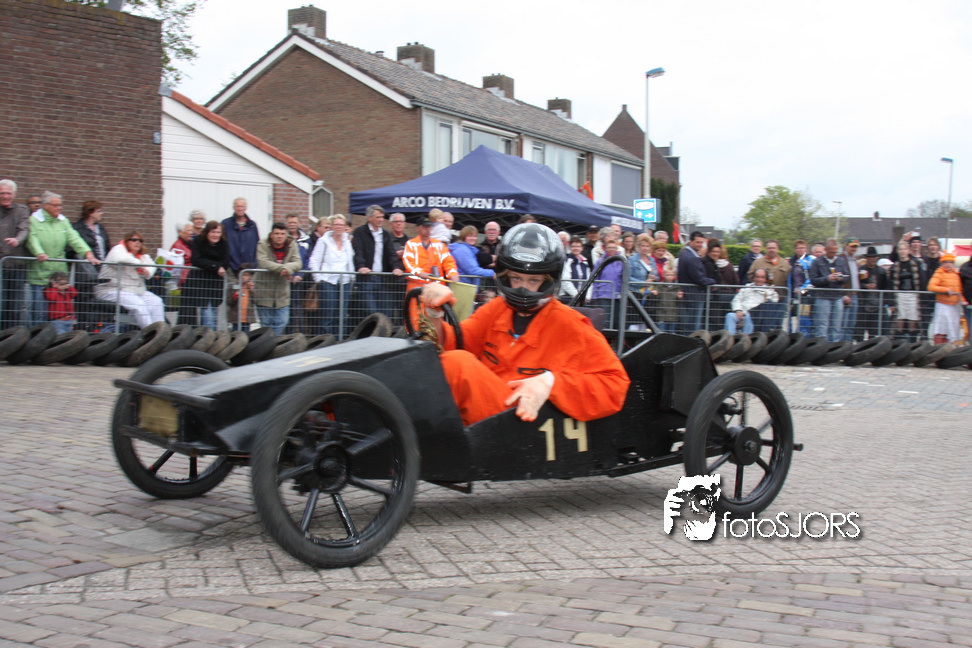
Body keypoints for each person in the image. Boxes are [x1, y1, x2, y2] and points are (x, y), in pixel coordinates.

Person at [419, 222, 630, 426]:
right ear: (505, 276)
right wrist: (434, 314)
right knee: (448, 362)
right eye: (516, 278)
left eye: (533, 280)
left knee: (458, 365)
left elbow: (615, 384)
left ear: (548, 281)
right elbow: (454, 343)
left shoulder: (571, 325)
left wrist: (551, 383)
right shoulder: (496, 309)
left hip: (524, 421)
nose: (523, 289)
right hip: (486, 416)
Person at [25, 191, 100, 327]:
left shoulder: (63, 221)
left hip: (58, 277)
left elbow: (74, 238)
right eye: (55, 205)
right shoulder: (34, 220)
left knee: (58, 314)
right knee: (40, 313)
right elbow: (32, 239)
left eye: (60, 205)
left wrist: (87, 252)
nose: (59, 208)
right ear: (45, 205)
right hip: (39, 275)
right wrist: (39, 253)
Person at [94, 230, 165, 328]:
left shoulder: (143, 256)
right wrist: (140, 265)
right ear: (126, 241)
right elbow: (120, 259)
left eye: (140, 240)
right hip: (112, 290)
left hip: (134, 291)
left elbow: (152, 266)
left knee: (156, 301)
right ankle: (149, 332)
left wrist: (147, 271)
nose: (137, 242)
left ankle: (161, 330)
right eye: (133, 240)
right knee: (138, 304)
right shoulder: (118, 249)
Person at [403, 217, 459, 325]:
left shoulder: (439, 245)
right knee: (415, 318)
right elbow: (408, 261)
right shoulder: (411, 244)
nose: (428, 230)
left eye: (429, 227)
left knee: (435, 319)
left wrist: (453, 274)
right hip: (417, 288)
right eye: (425, 227)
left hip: (436, 289)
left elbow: (448, 261)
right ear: (418, 228)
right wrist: (419, 272)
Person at [352, 204, 402, 321]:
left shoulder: (385, 234)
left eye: (382, 217)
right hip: (367, 278)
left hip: (382, 278)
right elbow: (358, 251)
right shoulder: (359, 232)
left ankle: (384, 332)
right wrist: (361, 266)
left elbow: (391, 253)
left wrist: (395, 267)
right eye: (377, 217)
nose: (380, 220)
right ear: (369, 218)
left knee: (386, 312)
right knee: (371, 312)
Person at [309, 214, 355, 337]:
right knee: (327, 316)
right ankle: (325, 342)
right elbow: (314, 261)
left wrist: (352, 278)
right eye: (336, 224)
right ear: (332, 226)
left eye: (341, 224)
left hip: (345, 282)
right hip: (328, 282)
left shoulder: (347, 242)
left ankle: (339, 342)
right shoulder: (323, 241)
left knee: (341, 316)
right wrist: (319, 280)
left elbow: (350, 261)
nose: (339, 227)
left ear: (345, 226)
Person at [254, 221, 302, 334]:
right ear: (271, 234)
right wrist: (283, 268)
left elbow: (298, 262)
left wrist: (288, 268)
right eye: (276, 233)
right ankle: (268, 341)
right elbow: (263, 262)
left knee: (282, 321)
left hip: (282, 292)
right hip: (264, 291)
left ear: (286, 235)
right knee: (266, 324)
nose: (279, 236)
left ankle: (270, 341)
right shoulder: (262, 244)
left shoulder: (292, 244)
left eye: (282, 234)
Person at [182, 221, 230, 328]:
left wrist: (217, 266)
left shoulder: (224, 243)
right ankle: (207, 336)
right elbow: (196, 260)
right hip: (201, 283)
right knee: (207, 317)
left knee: (214, 316)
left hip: (216, 284)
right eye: (213, 232)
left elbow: (226, 261)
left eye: (218, 232)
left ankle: (211, 336)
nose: (215, 235)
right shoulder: (199, 241)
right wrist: (216, 267)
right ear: (207, 232)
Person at [0, 179, 30, 329]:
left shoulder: (21, 210)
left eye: (8, 193)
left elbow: (24, 228)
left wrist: (17, 240)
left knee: (15, 304)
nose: (5, 196)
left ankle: (12, 334)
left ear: (14, 194)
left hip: (15, 264)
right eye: (2, 193)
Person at [809, 238, 851, 342]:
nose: (834, 254)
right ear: (826, 250)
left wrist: (842, 278)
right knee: (822, 326)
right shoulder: (817, 262)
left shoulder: (841, 261)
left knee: (836, 326)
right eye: (832, 252)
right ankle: (821, 347)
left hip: (837, 296)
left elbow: (847, 276)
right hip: (822, 297)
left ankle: (834, 348)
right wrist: (827, 278)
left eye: (835, 252)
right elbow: (813, 280)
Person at [676, 231, 715, 334]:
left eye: (701, 242)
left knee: (689, 324)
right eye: (697, 242)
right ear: (691, 241)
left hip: (689, 293)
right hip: (694, 295)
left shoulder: (685, 254)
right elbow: (700, 279)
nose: (700, 245)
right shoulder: (691, 258)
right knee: (694, 326)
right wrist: (713, 281)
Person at [748, 239, 790, 332]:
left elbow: (789, 279)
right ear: (766, 249)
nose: (772, 250)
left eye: (774, 248)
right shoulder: (758, 262)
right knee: (765, 324)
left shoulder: (785, 263)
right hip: (764, 299)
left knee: (778, 323)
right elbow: (750, 276)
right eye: (769, 248)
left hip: (781, 298)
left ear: (777, 248)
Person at [889, 240, 926, 342]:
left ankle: (913, 341)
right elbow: (891, 283)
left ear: (909, 250)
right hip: (900, 295)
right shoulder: (895, 266)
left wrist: (923, 298)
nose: (902, 251)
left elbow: (922, 281)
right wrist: (891, 301)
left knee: (913, 319)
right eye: (900, 249)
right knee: (900, 318)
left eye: (904, 249)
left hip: (913, 295)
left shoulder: (916, 264)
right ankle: (899, 341)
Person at [724, 268, 778, 334]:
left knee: (749, 316)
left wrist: (770, 292)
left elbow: (774, 301)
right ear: (754, 278)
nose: (759, 279)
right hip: (742, 313)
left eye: (762, 277)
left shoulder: (769, 290)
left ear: (766, 279)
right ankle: (730, 337)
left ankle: (746, 337)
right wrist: (738, 310)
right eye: (757, 277)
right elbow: (736, 299)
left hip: (756, 316)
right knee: (730, 316)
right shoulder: (746, 287)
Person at [927, 252, 966, 344]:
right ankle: (939, 347)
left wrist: (963, 300)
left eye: (951, 262)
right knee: (941, 328)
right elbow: (931, 287)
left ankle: (951, 347)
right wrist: (945, 290)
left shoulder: (956, 274)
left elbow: (959, 290)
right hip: (942, 305)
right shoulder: (939, 272)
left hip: (954, 306)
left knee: (952, 328)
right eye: (946, 262)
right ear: (942, 263)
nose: (948, 264)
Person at [701, 238, 738, 331]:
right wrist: (713, 284)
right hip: (711, 298)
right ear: (709, 251)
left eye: (718, 252)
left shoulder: (712, 263)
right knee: (712, 323)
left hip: (716, 298)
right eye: (714, 251)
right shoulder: (706, 263)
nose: (716, 254)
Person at [590, 238, 627, 330]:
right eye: (609, 247)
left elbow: (624, 278)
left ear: (617, 249)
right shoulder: (600, 261)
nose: (611, 249)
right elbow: (594, 278)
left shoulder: (622, 262)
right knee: (605, 321)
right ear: (605, 248)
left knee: (615, 322)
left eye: (613, 247)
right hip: (603, 294)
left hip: (617, 296)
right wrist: (594, 295)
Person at [220, 197, 260, 277]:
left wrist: (254, 265)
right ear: (233, 208)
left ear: (246, 208)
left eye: (242, 206)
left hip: (249, 270)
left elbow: (257, 245)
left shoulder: (252, 225)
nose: (240, 209)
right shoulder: (226, 224)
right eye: (237, 206)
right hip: (231, 269)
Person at [857, 247, 889, 339]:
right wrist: (865, 286)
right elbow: (857, 284)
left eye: (874, 257)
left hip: (877, 304)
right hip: (863, 303)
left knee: (874, 330)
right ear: (867, 258)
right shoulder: (861, 270)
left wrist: (885, 301)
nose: (873, 259)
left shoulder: (881, 271)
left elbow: (886, 287)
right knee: (860, 330)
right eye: (870, 257)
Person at [449, 225, 495, 290]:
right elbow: (472, 270)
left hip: (465, 286)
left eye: (475, 236)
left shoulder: (468, 249)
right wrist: (492, 273)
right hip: (462, 286)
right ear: (463, 237)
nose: (473, 238)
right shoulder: (462, 250)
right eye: (470, 236)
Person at [837, 237, 863, 341]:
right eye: (852, 246)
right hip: (846, 295)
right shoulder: (841, 259)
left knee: (851, 325)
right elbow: (839, 278)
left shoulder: (855, 260)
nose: (854, 248)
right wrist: (843, 294)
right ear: (846, 246)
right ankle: (841, 346)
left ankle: (848, 346)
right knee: (843, 324)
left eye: (856, 247)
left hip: (855, 295)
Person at [645, 267, 682, 333]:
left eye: (671, 275)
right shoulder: (659, 286)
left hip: (673, 315)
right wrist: (654, 294)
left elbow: (680, 301)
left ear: (674, 276)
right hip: (661, 314)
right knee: (661, 332)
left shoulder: (677, 286)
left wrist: (679, 297)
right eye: (667, 275)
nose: (669, 277)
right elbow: (654, 298)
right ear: (663, 275)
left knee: (671, 333)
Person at [560, 236, 591, 303]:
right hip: (567, 298)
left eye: (578, 246)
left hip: (582, 299)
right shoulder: (567, 261)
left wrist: (587, 296)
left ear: (582, 248)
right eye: (573, 246)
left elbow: (589, 281)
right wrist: (577, 295)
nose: (576, 248)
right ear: (570, 248)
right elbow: (565, 281)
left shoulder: (585, 262)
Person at [170, 222, 194, 286]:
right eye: (188, 230)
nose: (191, 232)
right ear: (180, 232)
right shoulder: (177, 247)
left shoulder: (190, 243)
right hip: (184, 279)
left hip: (190, 277)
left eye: (192, 230)